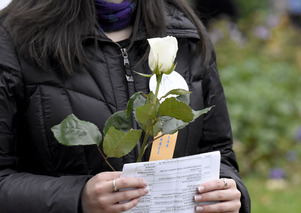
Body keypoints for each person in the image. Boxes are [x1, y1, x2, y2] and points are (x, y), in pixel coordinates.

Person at [0, 0, 250, 212]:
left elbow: (219, 154)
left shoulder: (184, 32)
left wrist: (230, 191)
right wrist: (77, 198)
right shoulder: (15, 37)